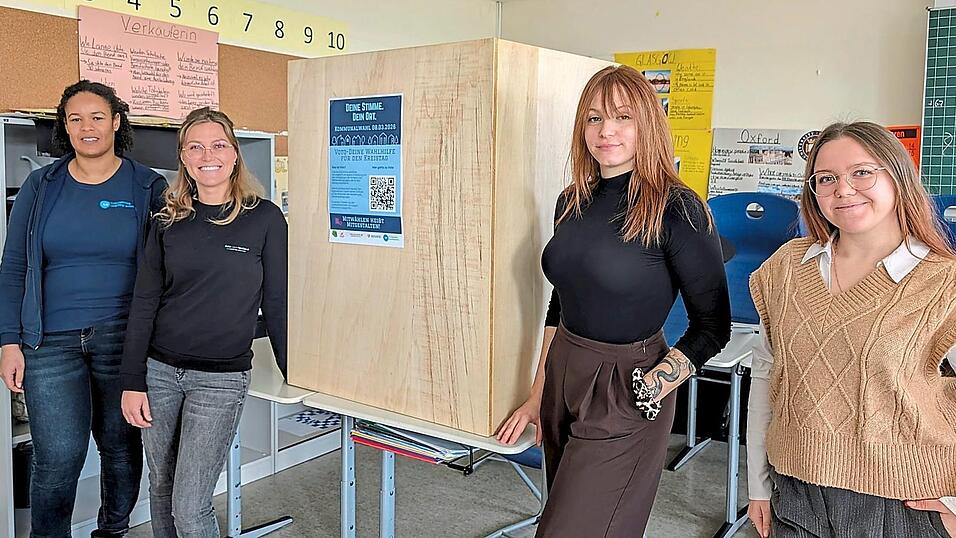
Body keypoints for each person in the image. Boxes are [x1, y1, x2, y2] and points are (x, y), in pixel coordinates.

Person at [496, 65, 731, 537]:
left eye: (622, 117)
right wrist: (538, 393)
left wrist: (649, 388)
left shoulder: (678, 207)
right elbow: (560, 305)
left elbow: (713, 327)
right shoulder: (572, 200)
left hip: (629, 381)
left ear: (647, 122)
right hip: (565, 372)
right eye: (594, 118)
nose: (606, 132)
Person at [747, 121, 956, 538]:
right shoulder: (786, 269)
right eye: (826, 179)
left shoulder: (944, 283)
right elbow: (767, 376)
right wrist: (758, 486)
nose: (843, 189)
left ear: (898, 177)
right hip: (796, 492)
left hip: (905, 503)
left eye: (862, 172)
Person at [0, 80, 166, 537]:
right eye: (75, 119)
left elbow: (167, 268)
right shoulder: (42, 185)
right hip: (48, 342)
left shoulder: (146, 185)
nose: (86, 127)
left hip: (123, 338)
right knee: (57, 457)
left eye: (97, 117)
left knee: (120, 448)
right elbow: (14, 265)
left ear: (116, 122)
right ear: (65, 128)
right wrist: (8, 341)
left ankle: (112, 530)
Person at [119, 107, 287, 537]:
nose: (206, 154)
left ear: (234, 154)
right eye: (195, 146)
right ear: (183, 157)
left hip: (220, 380)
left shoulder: (265, 218)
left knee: (190, 506)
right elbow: (144, 301)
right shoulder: (166, 218)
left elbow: (278, 302)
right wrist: (132, 380)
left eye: (217, 145)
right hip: (158, 373)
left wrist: (294, 372)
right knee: (160, 487)